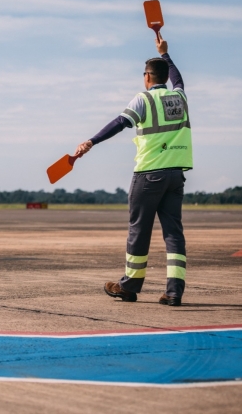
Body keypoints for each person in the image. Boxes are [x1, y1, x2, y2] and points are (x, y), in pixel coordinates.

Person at [74, 34, 192, 306]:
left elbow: (120, 122)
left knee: (139, 230)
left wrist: (91, 141)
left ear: (147, 77)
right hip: (176, 175)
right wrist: (166, 54)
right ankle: (174, 292)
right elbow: (180, 81)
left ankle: (129, 287)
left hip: (149, 174)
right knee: (174, 233)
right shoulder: (180, 97)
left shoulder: (143, 100)